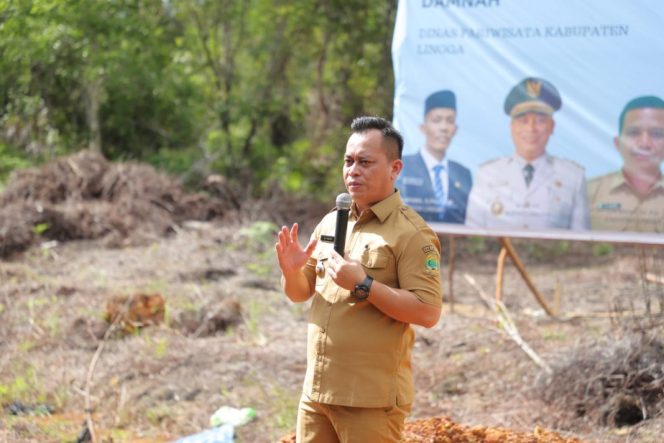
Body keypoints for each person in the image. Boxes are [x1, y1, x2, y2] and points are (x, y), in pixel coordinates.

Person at [275, 116, 442, 442]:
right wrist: (291, 270)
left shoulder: (411, 234)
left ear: (395, 169)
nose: (353, 170)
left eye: (365, 162)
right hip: (317, 394)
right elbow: (300, 293)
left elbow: (427, 311)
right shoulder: (331, 221)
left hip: (369, 401)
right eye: (349, 161)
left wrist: (364, 285)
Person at [465, 77, 590, 230]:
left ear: (552, 126)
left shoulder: (573, 176)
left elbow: (581, 241)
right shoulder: (488, 174)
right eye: (523, 120)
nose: (531, 129)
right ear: (511, 127)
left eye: (540, 121)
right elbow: (472, 237)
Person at [588, 95, 664, 232]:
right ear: (617, 143)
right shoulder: (586, 193)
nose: (644, 144)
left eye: (657, 134)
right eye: (634, 133)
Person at [397, 90, 472, 223]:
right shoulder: (403, 167)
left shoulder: (463, 174)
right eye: (436, 120)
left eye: (450, 121)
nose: (444, 127)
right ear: (423, 127)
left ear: (455, 129)